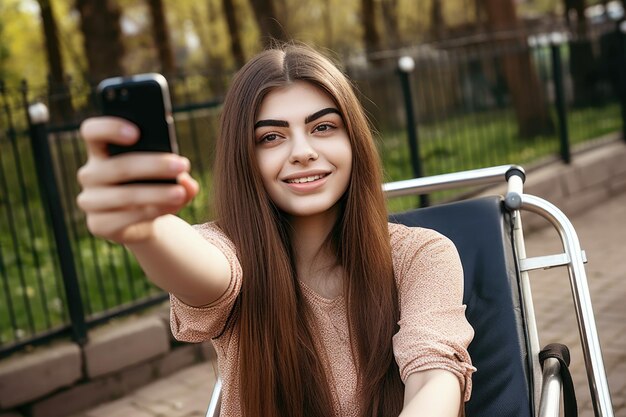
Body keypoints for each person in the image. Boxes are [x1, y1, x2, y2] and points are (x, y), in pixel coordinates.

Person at [77, 44, 475, 417]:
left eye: (323, 127)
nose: (302, 151)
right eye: (271, 137)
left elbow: (433, 375)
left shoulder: (422, 254)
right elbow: (205, 272)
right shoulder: (231, 250)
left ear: (354, 140)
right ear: (244, 158)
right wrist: (148, 229)